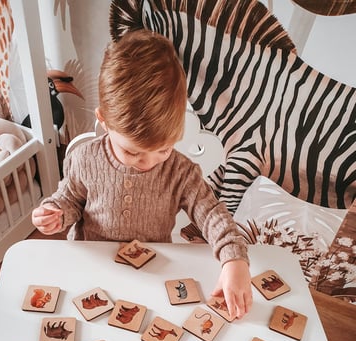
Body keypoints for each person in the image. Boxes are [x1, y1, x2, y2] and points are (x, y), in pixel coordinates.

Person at [32, 29, 252, 320]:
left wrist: (234, 258)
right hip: (91, 273)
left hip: (153, 274)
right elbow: (71, 199)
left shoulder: (181, 172)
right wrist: (56, 212)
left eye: (163, 150)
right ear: (104, 120)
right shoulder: (83, 158)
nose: (148, 162)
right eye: (133, 153)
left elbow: (212, 213)